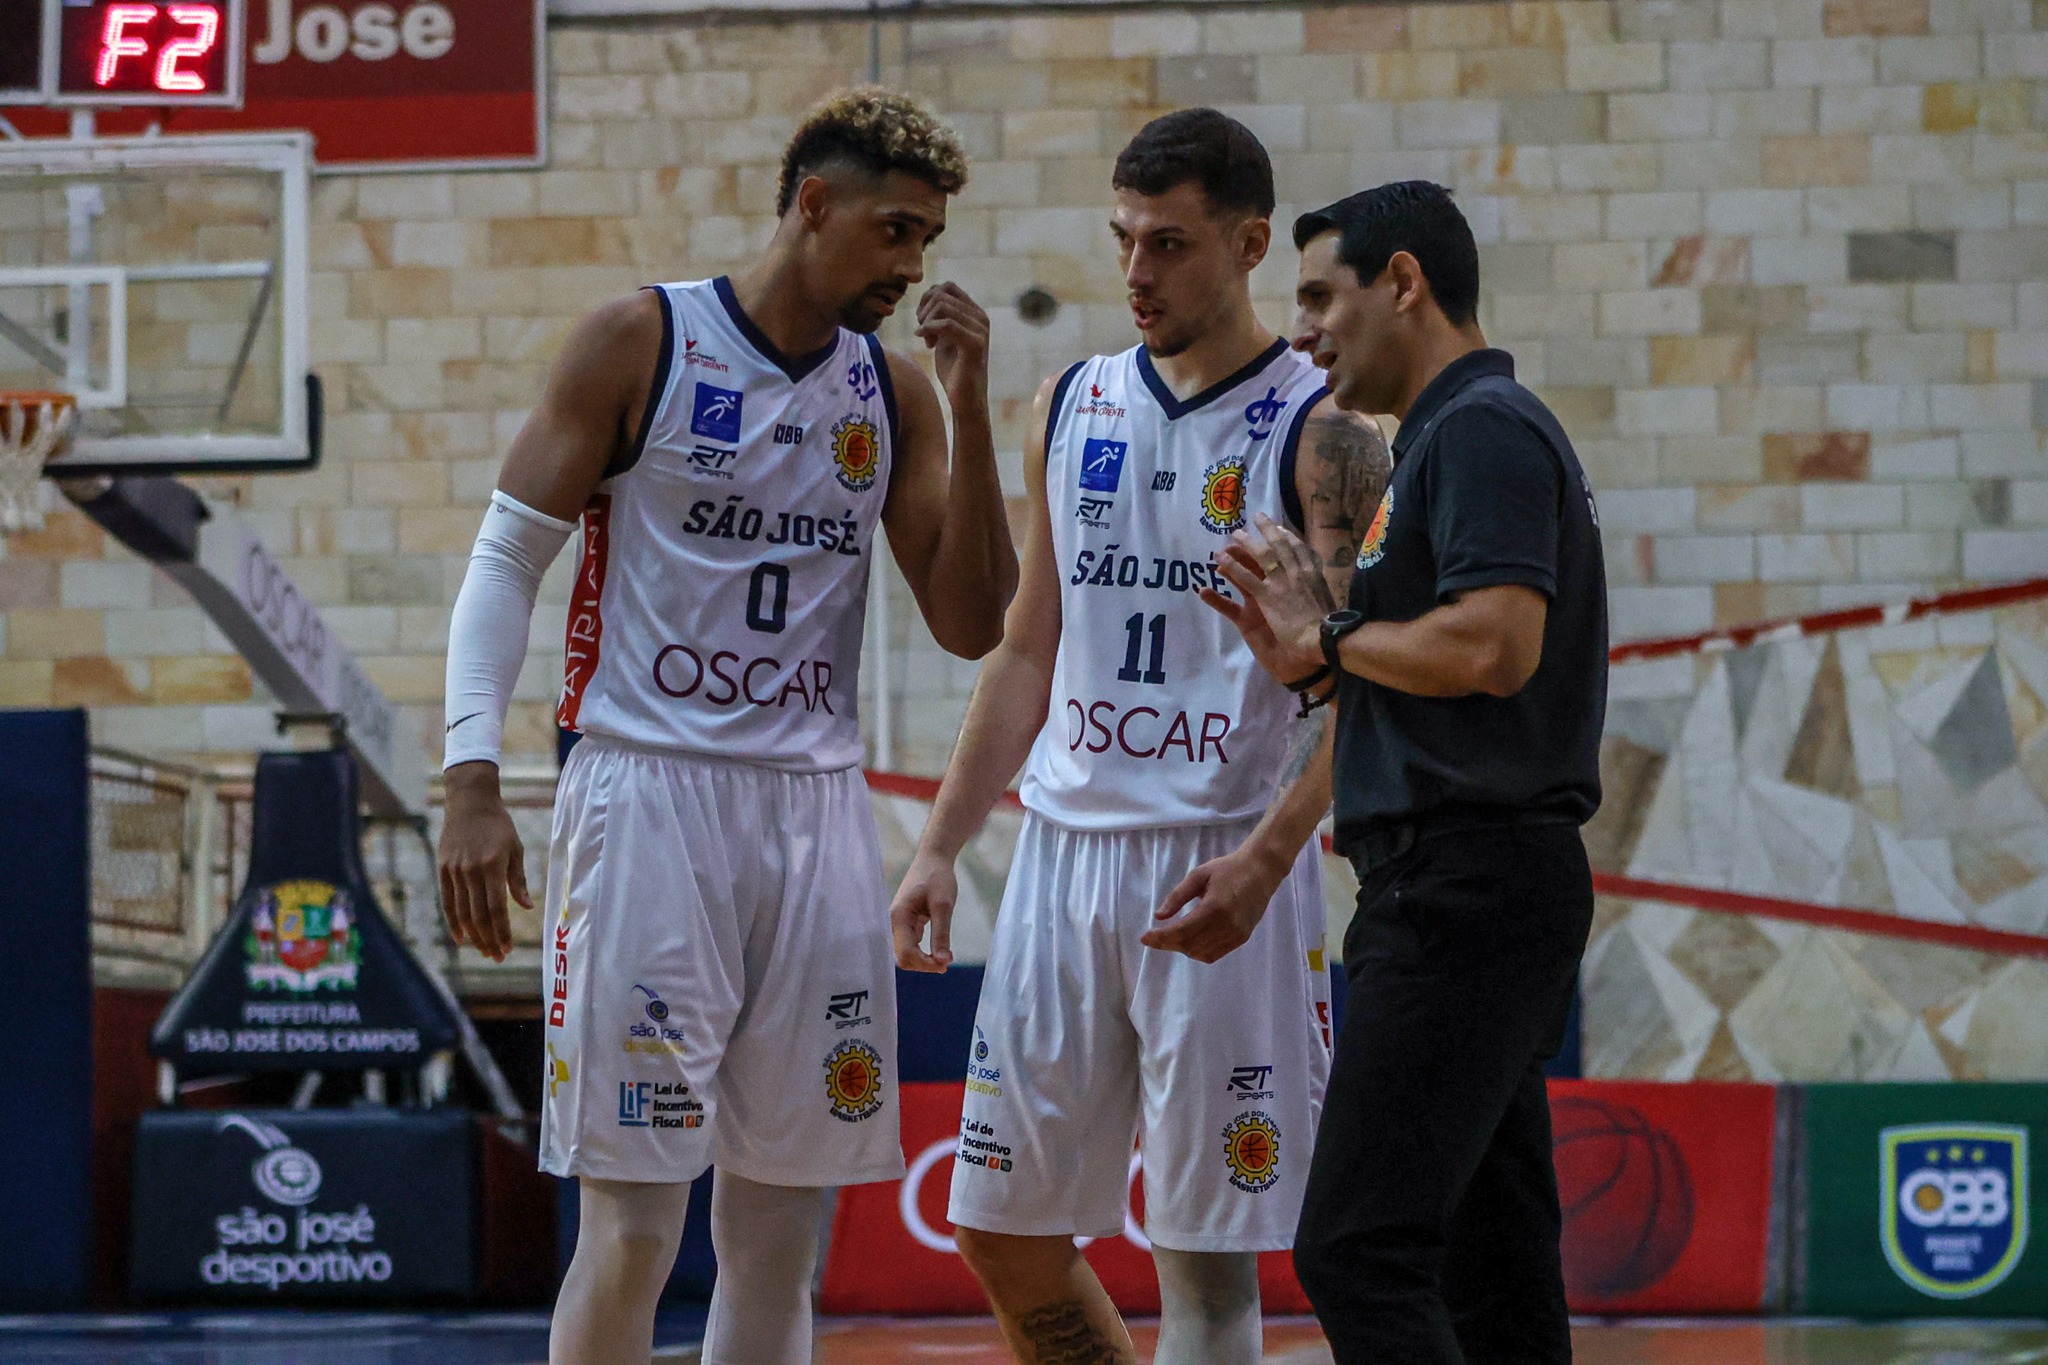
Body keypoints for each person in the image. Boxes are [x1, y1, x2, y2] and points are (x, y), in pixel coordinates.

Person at [435, 88, 1017, 1365]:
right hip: (648, 797)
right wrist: (467, 775)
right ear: (813, 205)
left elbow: (974, 623)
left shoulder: (895, 393)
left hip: (813, 813)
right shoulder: (639, 339)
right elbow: (501, 563)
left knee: (778, 1233)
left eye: (927, 240)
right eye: (894, 231)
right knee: (636, 1226)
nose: (912, 265)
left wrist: (972, 413)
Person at [890, 108, 1389, 1365]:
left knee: (1205, 1273)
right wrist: (941, 845)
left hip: (1213, 863)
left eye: (1167, 244)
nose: (1134, 273)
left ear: (1248, 244)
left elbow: (1362, 690)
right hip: (1061, 857)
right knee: (999, 1230)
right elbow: (1024, 647)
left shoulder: (1321, 431)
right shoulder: (1075, 399)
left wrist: (1273, 859)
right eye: (1122, 241)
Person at [1199, 180, 1608, 1363]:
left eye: (1321, 296)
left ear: (1404, 282)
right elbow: (1435, 677)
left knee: (1357, 1250)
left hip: (1462, 889)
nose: (1305, 330)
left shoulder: (1476, 429)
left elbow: (1491, 646)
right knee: (1492, 1265)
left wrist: (1323, 639)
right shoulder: (1446, 434)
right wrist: (1313, 655)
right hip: (1470, 880)